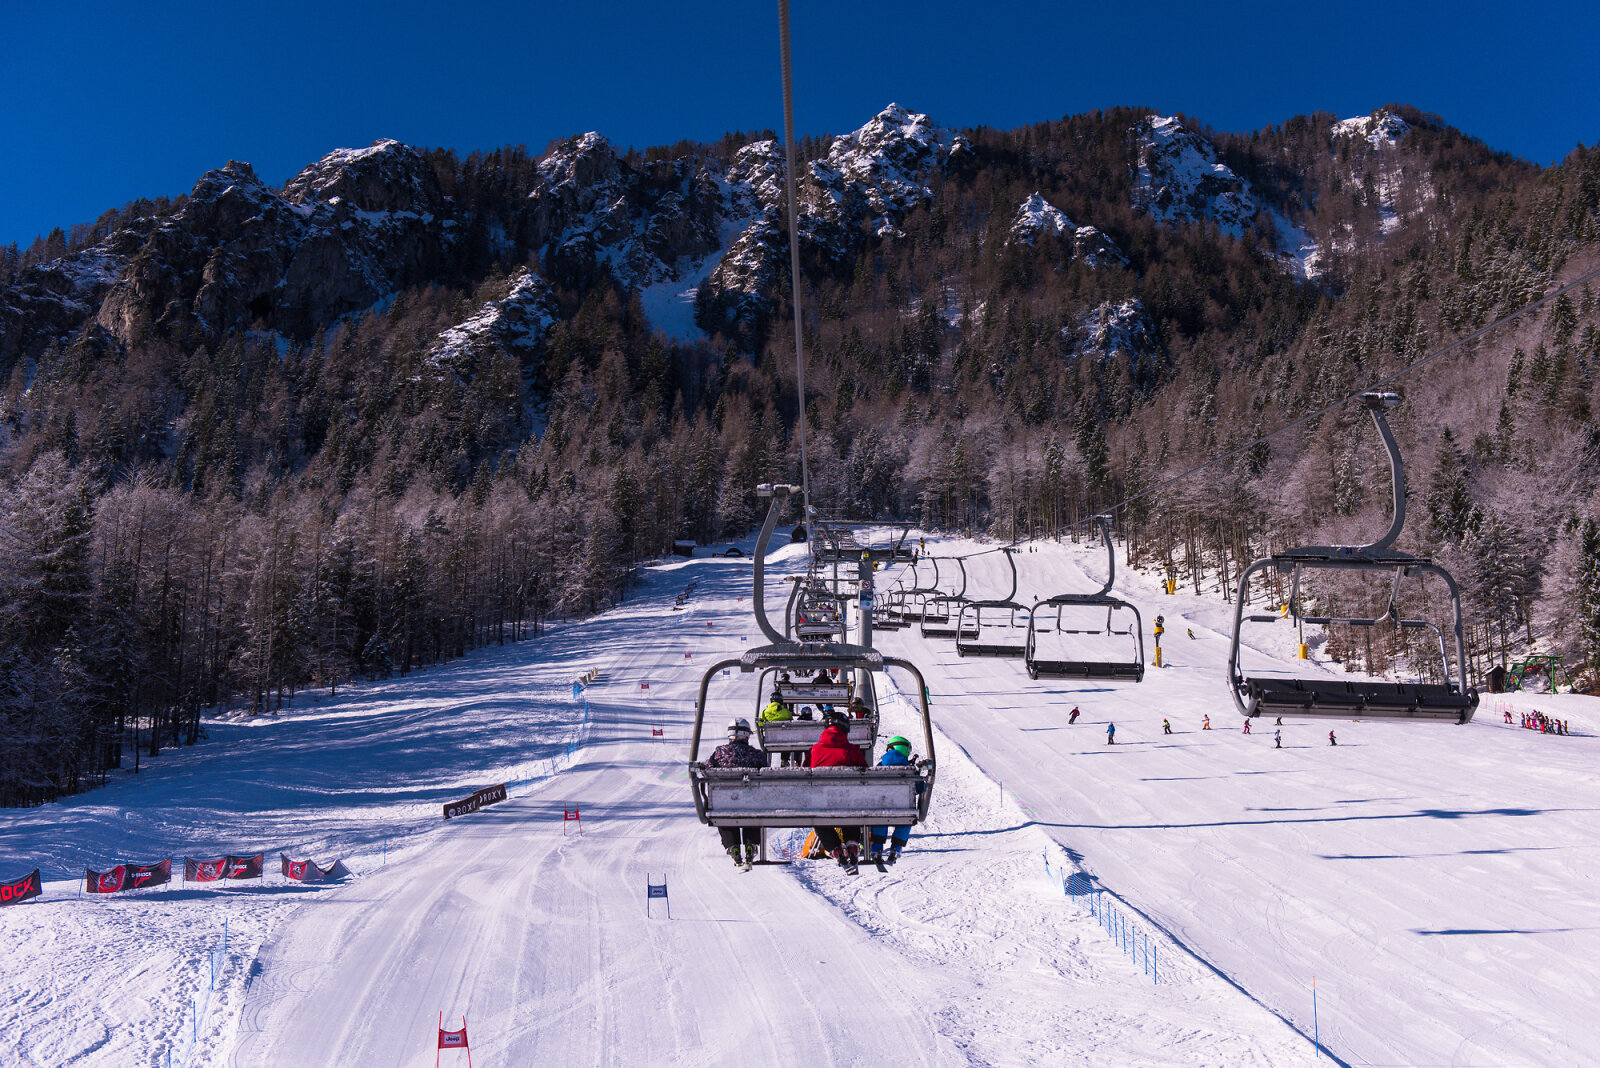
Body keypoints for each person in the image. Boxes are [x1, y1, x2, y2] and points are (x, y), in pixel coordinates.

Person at [706, 718, 768, 868]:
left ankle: (732, 846)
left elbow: (707, 769)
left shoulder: (719, 753)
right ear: (746, 736)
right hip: (750, 803)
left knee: (723, 811)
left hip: (725, 802)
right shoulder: (756, 755)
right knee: (752, 808)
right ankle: (751, 844)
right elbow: (767, 772)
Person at [809, 711, 867, 870]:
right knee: (852, 813)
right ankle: (852, 846)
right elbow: (865, 771)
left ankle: (835, 849)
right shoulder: (852, 750)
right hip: (847, 801)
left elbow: (806, 771)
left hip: (822, 802)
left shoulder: (815, 749)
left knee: (819, 820)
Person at [869, 736, 916, 863]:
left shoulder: (880, 766)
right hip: (904, 809)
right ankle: (896, 848)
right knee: (906, 821)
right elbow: (919, 787)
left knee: (880, 819)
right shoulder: (910, 769)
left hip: (881, 807)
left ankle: (877, 848)